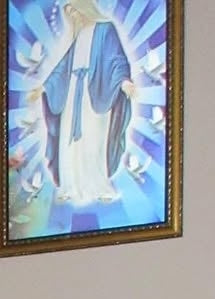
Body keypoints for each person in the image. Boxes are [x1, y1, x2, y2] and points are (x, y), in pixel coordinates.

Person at [29, 0, 135, 206]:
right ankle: (70, 186)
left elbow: (116, 59)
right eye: (69, 13)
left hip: (95, 94)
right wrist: (43, 88)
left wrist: (124, 82)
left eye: (75, 11)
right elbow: (63, 67)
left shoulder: (105, 28)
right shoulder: (79, 36)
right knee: (69, 142)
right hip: (72, 96)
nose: (73, 17)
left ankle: (98, 185)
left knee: (93, 140)